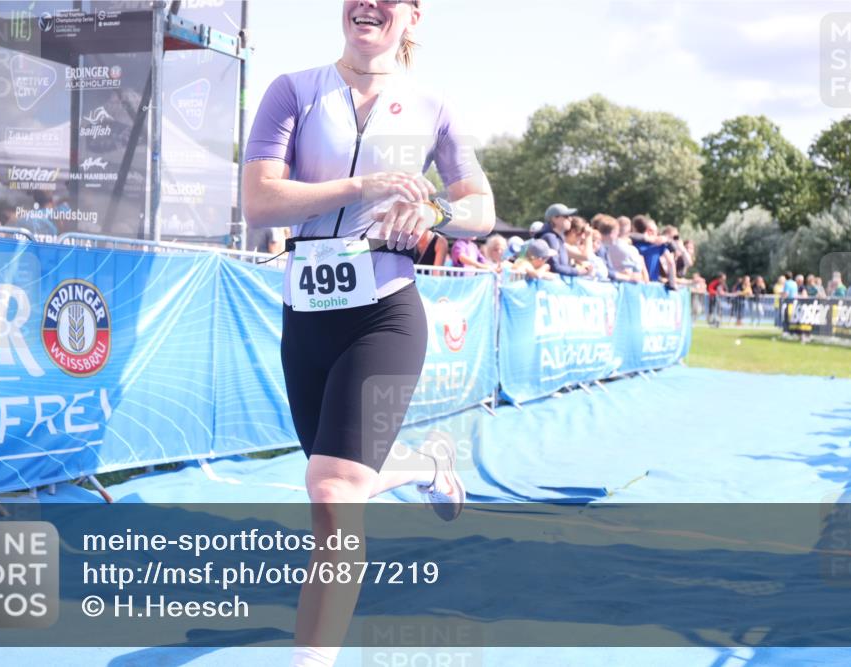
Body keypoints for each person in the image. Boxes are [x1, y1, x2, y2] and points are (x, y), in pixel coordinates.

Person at [241, 3, 494, 664]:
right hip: (307, 318)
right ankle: (425, 463)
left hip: (385, 311)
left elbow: (482, 207)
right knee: (338, 483)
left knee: (331, 493)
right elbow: (260, 200)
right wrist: (362, 186)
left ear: (412, 18)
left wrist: (434, 207)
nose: (367, 3)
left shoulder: (433, 105)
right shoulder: (292, 90)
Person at [535, 203, 592, 276]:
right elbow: (554, 267)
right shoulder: (550, 237)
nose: (570, 219)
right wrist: (577, 271)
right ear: (554, 218)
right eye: (566, 216)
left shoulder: (556, 238)